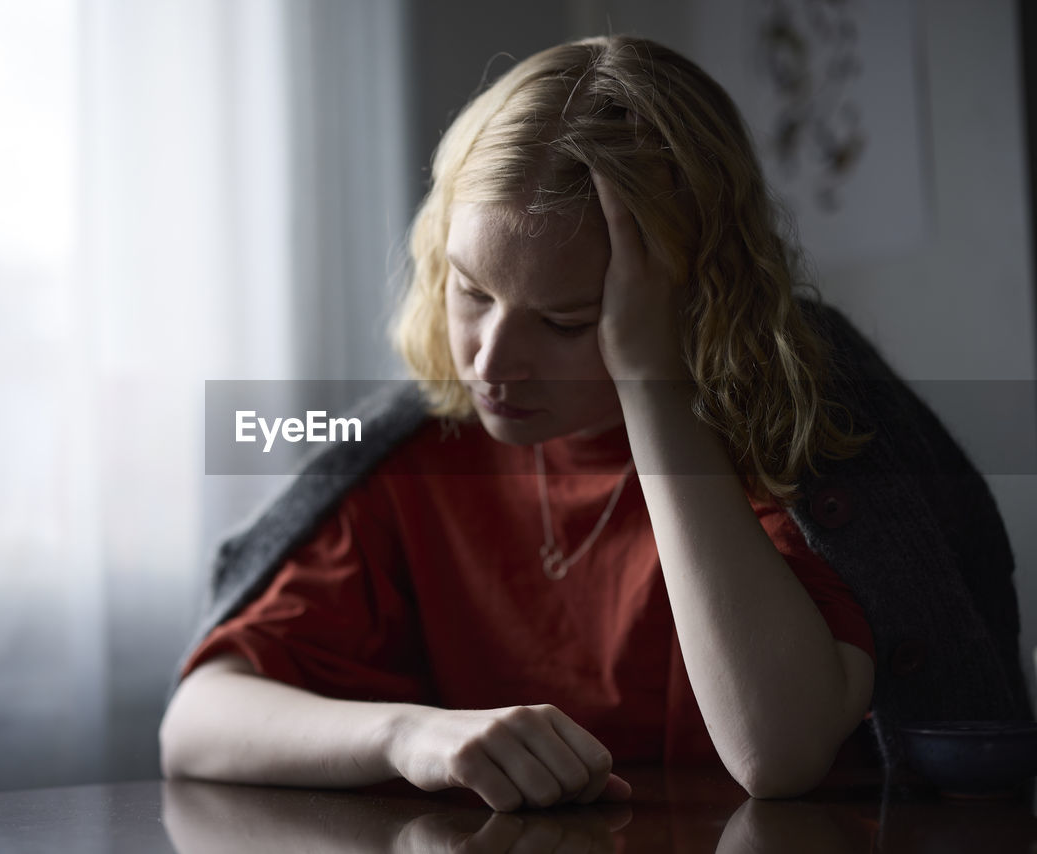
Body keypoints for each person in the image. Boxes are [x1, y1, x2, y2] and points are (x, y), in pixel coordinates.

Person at [159, 35, 1029, 809]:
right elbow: (197, 723)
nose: (491, 362)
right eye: (472, 292)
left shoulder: (792, 442)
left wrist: (654, 385)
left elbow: (777, 751)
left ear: (694, 302)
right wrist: (411, 736)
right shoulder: (420, 450)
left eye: (568, 321)